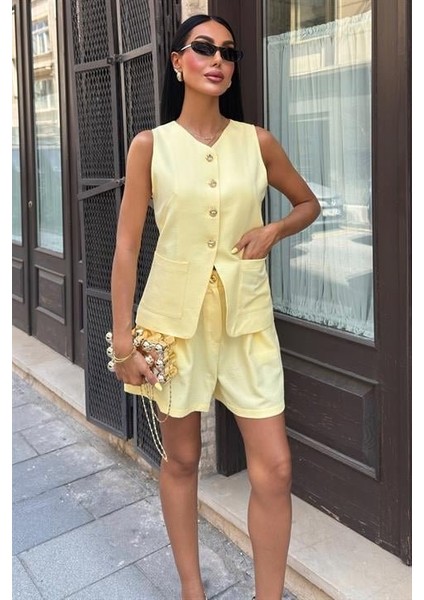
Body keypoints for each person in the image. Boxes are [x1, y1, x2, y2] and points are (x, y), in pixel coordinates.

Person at [110, 13, 320, 600]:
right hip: (173, 326)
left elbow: (307, 204)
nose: (219, 60)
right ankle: (192, 589)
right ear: (178, 61)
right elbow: (126, 246)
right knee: (181, 461)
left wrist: (274, 229)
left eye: (229, 53)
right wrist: (122, 340)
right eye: (204, 48)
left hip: (247, 322)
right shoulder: (150, 146)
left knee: (275, 468)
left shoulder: (257, 142)